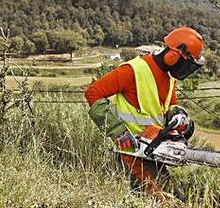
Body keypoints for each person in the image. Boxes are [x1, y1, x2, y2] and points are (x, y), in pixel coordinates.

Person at [85, 27, 205, 198]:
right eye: (187, 63)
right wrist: (119, 134)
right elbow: (93, 93)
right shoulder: (133, 71)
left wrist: (178, 115)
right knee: (161, 200)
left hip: (154, 149)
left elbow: (170, 105)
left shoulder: (169, 77)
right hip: (132, 152)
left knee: (177, 198)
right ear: (174, 56)